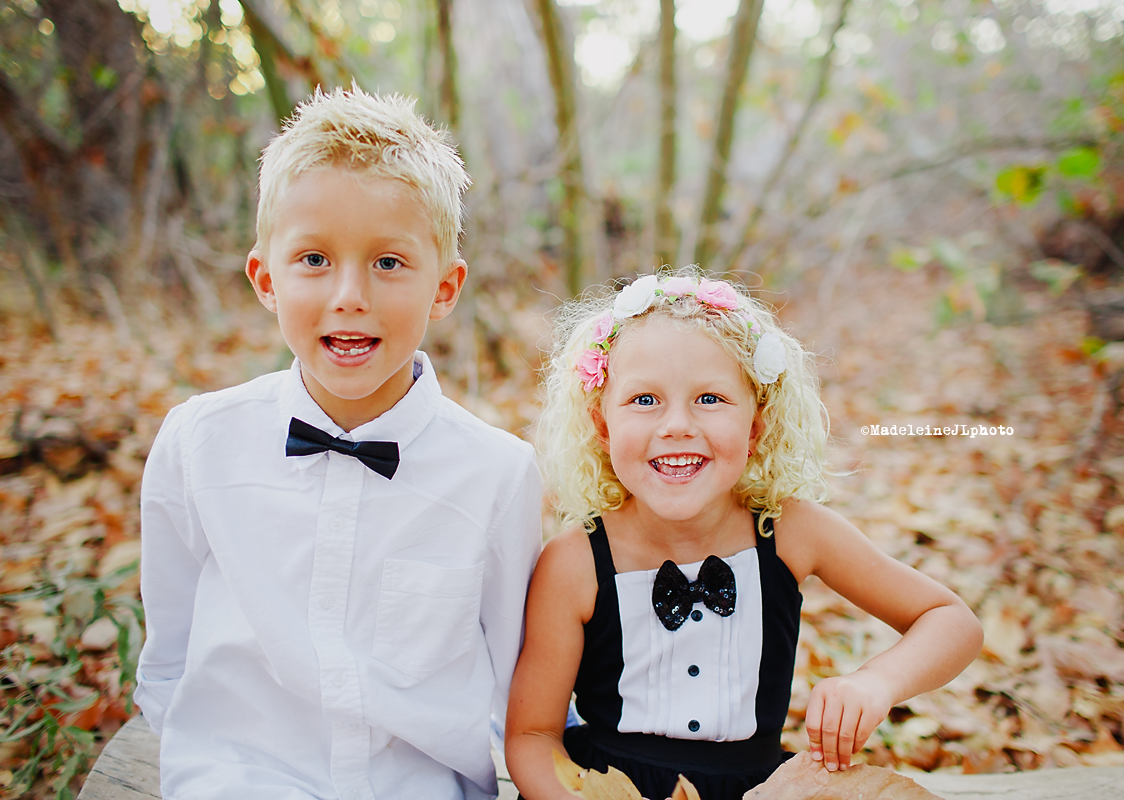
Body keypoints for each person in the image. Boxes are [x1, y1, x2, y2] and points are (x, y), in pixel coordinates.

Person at [134, 88, 542, 800]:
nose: (350, 294)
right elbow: (168, 652)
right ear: (265, 278)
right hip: (236, 781)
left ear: (444, 289)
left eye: (388, 263)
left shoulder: (498, 475)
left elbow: (520, 683)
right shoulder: (200, 443)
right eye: (315, 259)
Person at [505, 269, 983, 800]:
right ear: (602, 426)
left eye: (710, 398)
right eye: (644, 400)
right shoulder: (575, 562)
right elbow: (532, 735)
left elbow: (951, 621)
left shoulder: (792, 532)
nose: (677, 425)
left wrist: (875, 682)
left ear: (755, 427)